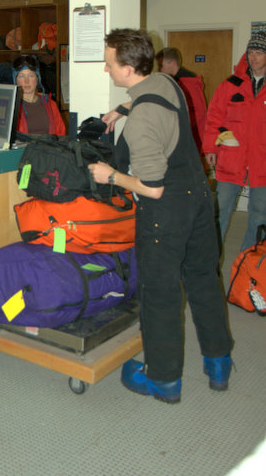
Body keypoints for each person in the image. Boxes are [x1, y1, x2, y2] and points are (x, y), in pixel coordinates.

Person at [88, 28, 232, 404]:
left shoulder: (142, 124)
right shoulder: (166, 82)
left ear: (128, 68)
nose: (106, 70)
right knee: (203, 279)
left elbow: (152, 187)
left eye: (108, 64)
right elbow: (149, 101)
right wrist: (120, 109)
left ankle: (163, 379)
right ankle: (219, 362)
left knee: (161, 293)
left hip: (164, 212)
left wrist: (111, 175)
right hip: (200, 198)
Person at [203, 31, 266, 252]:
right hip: (231, 159)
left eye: (259, 52)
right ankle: (210, 259)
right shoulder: (231, 84)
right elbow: (214, 117)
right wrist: (211, 147)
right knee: (220, 211)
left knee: (260, 215)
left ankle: (248, 262)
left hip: (262, 162)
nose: (254, 57)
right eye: (251, 52)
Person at [155, 46, 207, 151]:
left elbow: (197, 113)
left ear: (172, 63)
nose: (159, 70)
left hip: (190, 140)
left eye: (161, 66)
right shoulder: (177, 82)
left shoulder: (188, 83)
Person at [12, 54, 66, 135]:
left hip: (48, 146)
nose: (26, 81)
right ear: (15, 80)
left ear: (37, 78)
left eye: (31, 76)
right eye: (21, 76)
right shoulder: (11, 107)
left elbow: (61, 134)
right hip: (23, 147)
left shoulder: (51, 105)